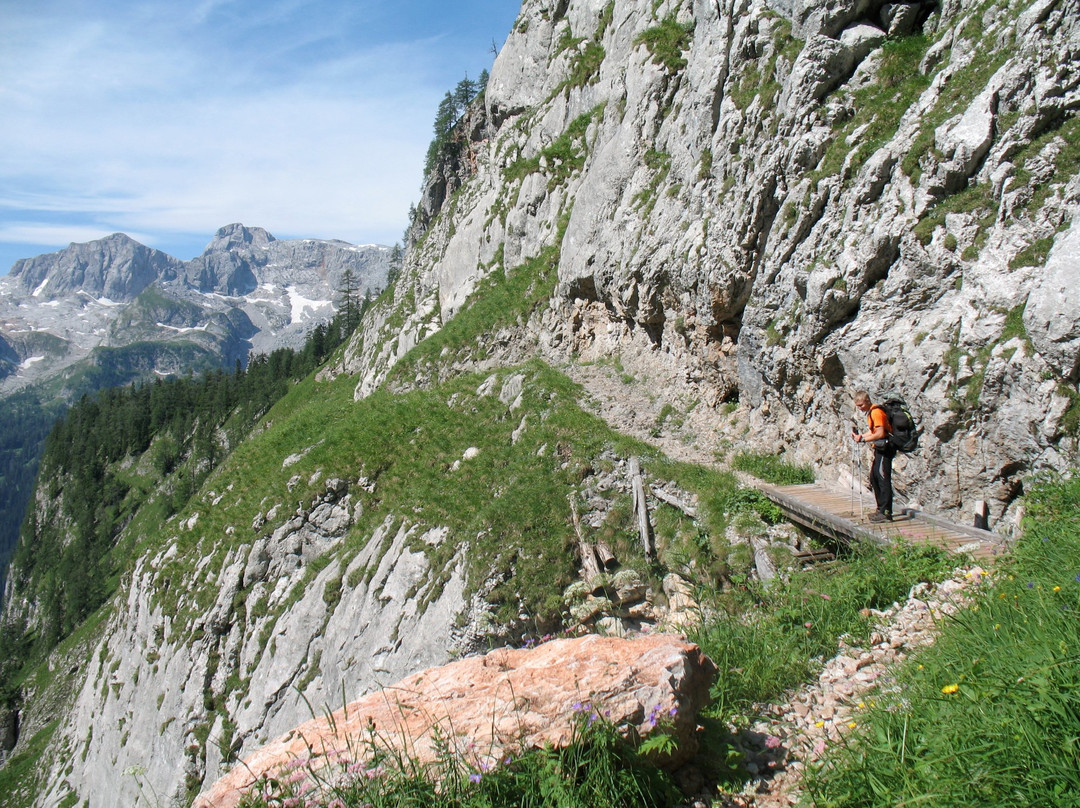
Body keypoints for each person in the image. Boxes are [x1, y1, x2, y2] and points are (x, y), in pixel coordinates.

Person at [851, 390, 894, 522]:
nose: (859, 408)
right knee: (874, 477)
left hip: (885, 448)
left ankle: (886, 513)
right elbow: (872, 431)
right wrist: (861, 436)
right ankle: (880, 509)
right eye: (857, 406)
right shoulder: (871, 413)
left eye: (861, 405)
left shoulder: (876, 412)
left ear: (867, 401)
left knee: (882, 478)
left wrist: (863, 440)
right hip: (880, 448)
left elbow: (880, 433)